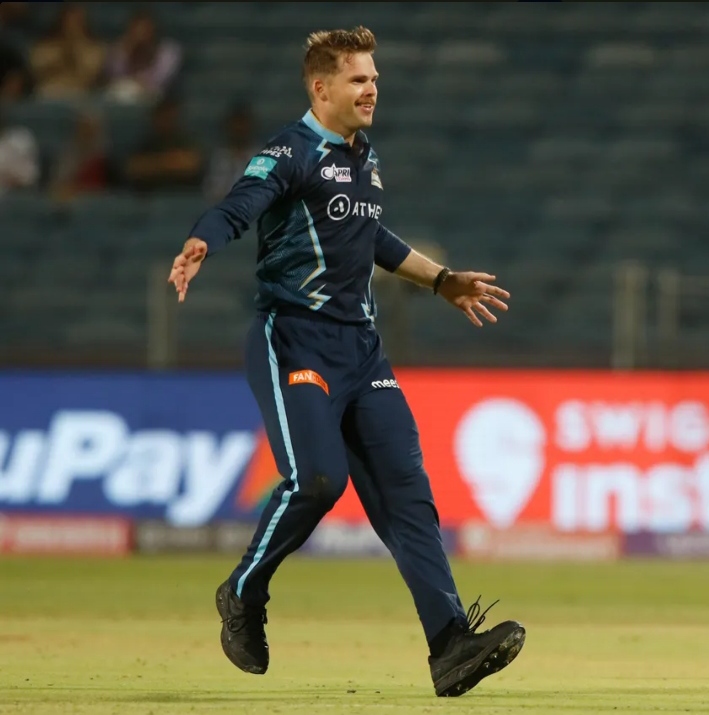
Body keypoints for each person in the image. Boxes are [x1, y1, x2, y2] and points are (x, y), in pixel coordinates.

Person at [166, 26, 525, 698]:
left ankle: (450, 643)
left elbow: (369, 235)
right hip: (294, 340)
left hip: (362, 349)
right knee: (318, 480)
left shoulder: (364, 157)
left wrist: (440, 279)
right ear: (320, 88)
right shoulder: (289, 150)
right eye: (358, 79)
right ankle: (243, 591)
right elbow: (239, 205)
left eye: (375, 80)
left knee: (407, 492)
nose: (372, 90)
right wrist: (201, 241)